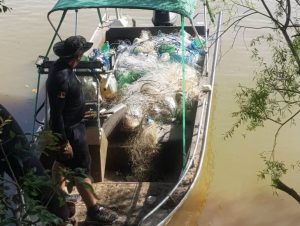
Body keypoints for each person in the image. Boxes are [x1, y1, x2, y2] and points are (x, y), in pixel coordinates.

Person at [46, 35, 118, 224]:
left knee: (60, 164)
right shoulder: (62, 78)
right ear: (75, 57)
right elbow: (56, 114)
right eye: (80, 55)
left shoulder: (60, 68)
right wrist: (63, 142)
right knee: (81, 169)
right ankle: (94, 210)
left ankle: (62, 200)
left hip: (70, 126)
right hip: (70, 131)